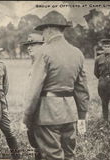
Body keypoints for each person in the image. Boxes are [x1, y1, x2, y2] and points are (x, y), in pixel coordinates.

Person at [23, 11, 90, 160]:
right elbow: (82, 89)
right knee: (69, 154)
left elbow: (34, 89)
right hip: (70, 113)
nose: (43, 36)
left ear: (49, 30)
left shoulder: (43, 52)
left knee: (52, 155)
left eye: (43, 32)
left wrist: (26, 117)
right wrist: (81, 116)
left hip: (48, 114)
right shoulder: (77, 53)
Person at [0, 39, 21, 159]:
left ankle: (16, 157)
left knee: (9, 132)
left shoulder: (2, 65)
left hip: (1, 105)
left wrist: (0, 98)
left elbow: (6, 86)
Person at [21, 33, 44, 160]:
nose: (29, 47)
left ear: (42, 46)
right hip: (34, 111)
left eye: (33, 44)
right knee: (35, 143)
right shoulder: (35, 62)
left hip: (40, 112)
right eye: (28, 45)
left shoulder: (43, 63)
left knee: (41, 145)